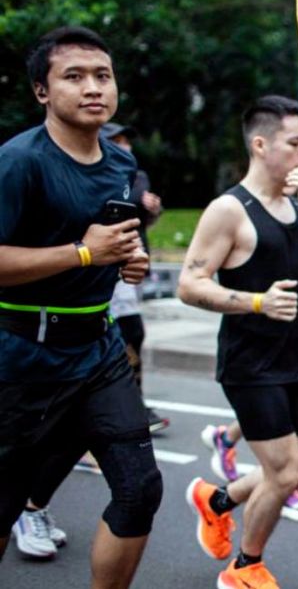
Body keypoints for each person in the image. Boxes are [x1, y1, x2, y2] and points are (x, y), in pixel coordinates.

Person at [0, 26, 161, 587]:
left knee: (141, 489)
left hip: (98, 350)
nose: (94, 87)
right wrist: (85, 253)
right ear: (42, 91)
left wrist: (129, 260)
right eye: (74, 76)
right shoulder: (18, 162)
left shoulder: (120, 165)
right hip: (22, 355)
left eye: (103, 75)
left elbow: (113, 246)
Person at [177, 94, 298, 589]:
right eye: (295, 144)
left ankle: (218, 500)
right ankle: (245, 567)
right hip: (250, 367)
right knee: (283, 473)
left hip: (294, 363)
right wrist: (255, 302)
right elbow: (190, 283)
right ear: (260, 144)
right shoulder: (229, 210)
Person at [101, 122, 170, 434]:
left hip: (131, 267)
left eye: (127, 140)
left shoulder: (137, 175)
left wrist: (153, 210)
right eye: (117, 140)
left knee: (132, 334)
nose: (125, 145)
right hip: (102, 267)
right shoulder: (97, 174)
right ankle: (124, 406)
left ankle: (132, 402)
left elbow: (146, 220)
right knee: (122, 335)